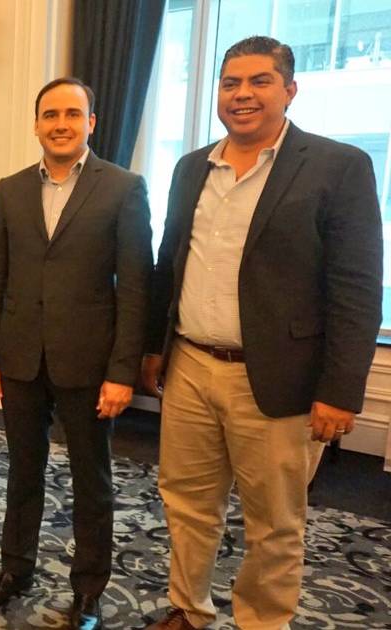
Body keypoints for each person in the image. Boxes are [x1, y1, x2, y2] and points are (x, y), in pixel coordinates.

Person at [140, 36, 382, 630]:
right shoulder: (192, 167)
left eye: (259, 81)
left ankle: (262, 621)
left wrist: (340, 390)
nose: (242, 94)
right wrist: (152, 346)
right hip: (190, 365)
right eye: (231, 83)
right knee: (186, 503)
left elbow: (356, 287)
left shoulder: (338, 166)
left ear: (290, 90)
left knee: (274, 522)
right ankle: (188, 609)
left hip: (280, 380)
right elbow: (170, 261)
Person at [0, 77, 152, 629]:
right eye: (50, 114)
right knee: (22, 471)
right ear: (36, 125)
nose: (61, 124)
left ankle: (89, 590)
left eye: (73, 114)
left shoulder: (122, 188)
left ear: (91, 123)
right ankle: (14, 570)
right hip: (20, 357)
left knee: (91, 481)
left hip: (89, 363)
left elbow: (135, 287)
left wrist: (122, 372)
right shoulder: (10, 189)